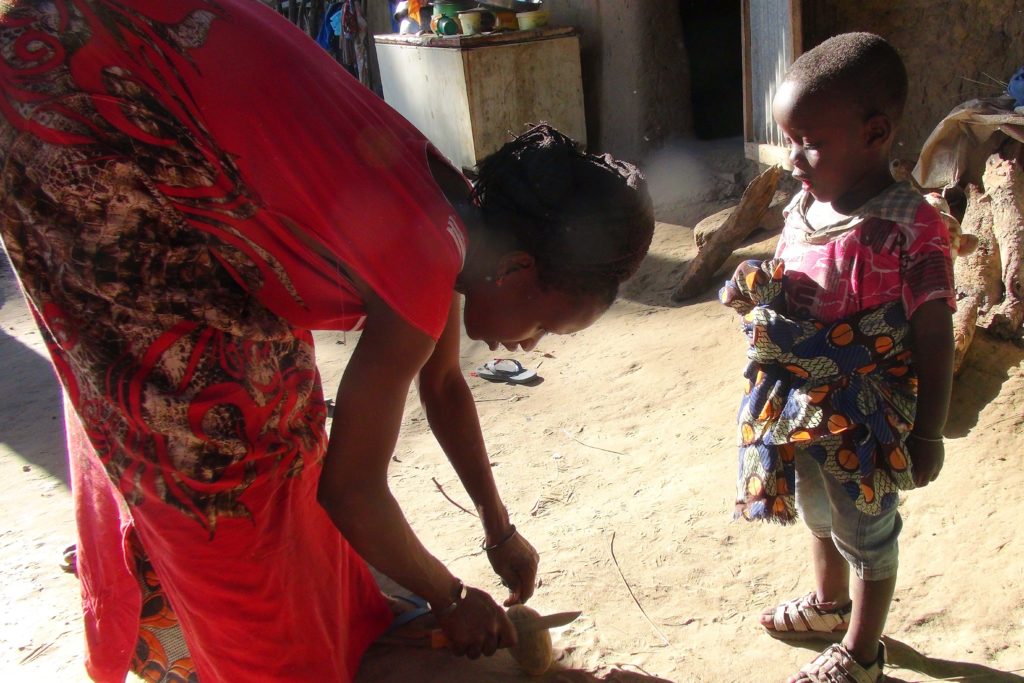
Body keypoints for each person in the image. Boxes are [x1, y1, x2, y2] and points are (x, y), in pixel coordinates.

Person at [0, 1, 654, 681]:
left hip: (129, 68)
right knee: (200, 447)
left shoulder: (464, 222)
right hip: (75, 101)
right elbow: (352, 490)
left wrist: (498, 527)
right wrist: (449, 595)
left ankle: (280, 609)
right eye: (544, 324)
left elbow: (443, 383)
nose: (529, 345)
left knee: (280, 411)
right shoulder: (427, 260)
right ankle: (188, 614)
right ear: (518, 271)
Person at [720, 33, 955, 683]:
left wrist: (929, 429)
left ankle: (863, 651)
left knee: (867, 529)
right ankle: (829, 606)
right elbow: (798, 284)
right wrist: (762, 292)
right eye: (788, 139)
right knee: (819, 508)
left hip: (867, 416)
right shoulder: (805, 204)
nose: (794, 157)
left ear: (875, 133)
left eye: (810, 141)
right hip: (805, 404)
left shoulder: (911, 225)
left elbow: (935, 334)